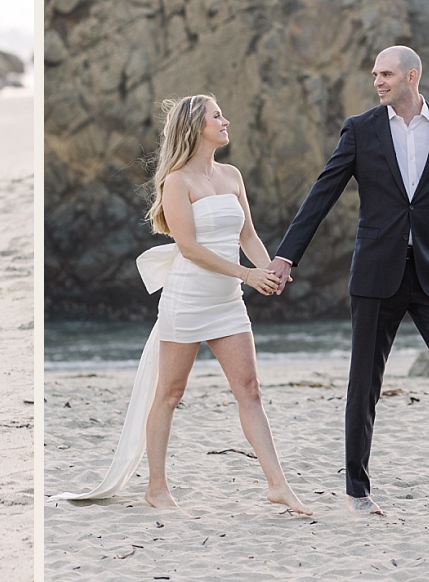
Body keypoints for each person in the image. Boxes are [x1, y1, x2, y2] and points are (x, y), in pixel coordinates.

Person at [268, 46, 429, 516]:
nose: (378, 81)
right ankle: (358, 491)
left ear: (412, 76)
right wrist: (287, 255)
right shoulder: (361, 129)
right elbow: (322, 193)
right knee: (364, 385)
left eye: (386, 73)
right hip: (376, 274)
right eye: (375, 74)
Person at [51, 94, 310, 514]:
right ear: (196, 126)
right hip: (188, 299)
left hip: (227, 302)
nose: (226, 121)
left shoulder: (231, 175)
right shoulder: (177, 181)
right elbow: (188, 248)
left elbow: (247, 237)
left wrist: (270, 271)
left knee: (250, 391)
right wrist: (247, 275)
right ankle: (156, 488)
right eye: (217, 116)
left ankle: (277, 484)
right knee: (169, 394)